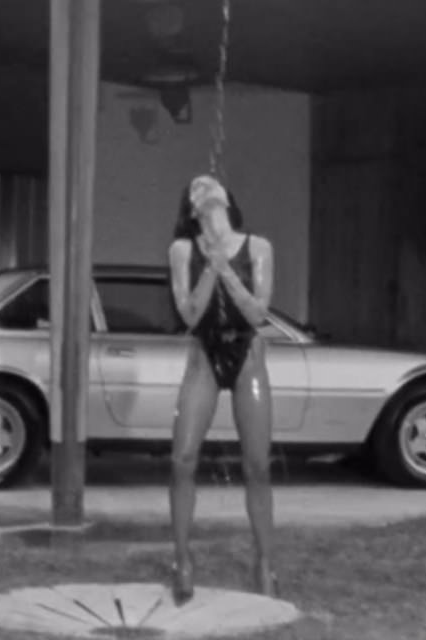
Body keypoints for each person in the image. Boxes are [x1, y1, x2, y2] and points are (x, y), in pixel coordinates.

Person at [167, 173, 277, 604]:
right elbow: (191, 315)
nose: (203, 187)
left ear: (227, 199)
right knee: (182, 458)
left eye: (209, 184)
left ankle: (266, 562)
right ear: (193, 210)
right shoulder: (181, 251)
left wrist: (225, 266)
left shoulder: (259, 247)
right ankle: (182, 559)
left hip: (247, 354)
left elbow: (256, 313)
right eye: (194, 188)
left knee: (257, 465)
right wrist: (209, 264)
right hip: (204, 356)